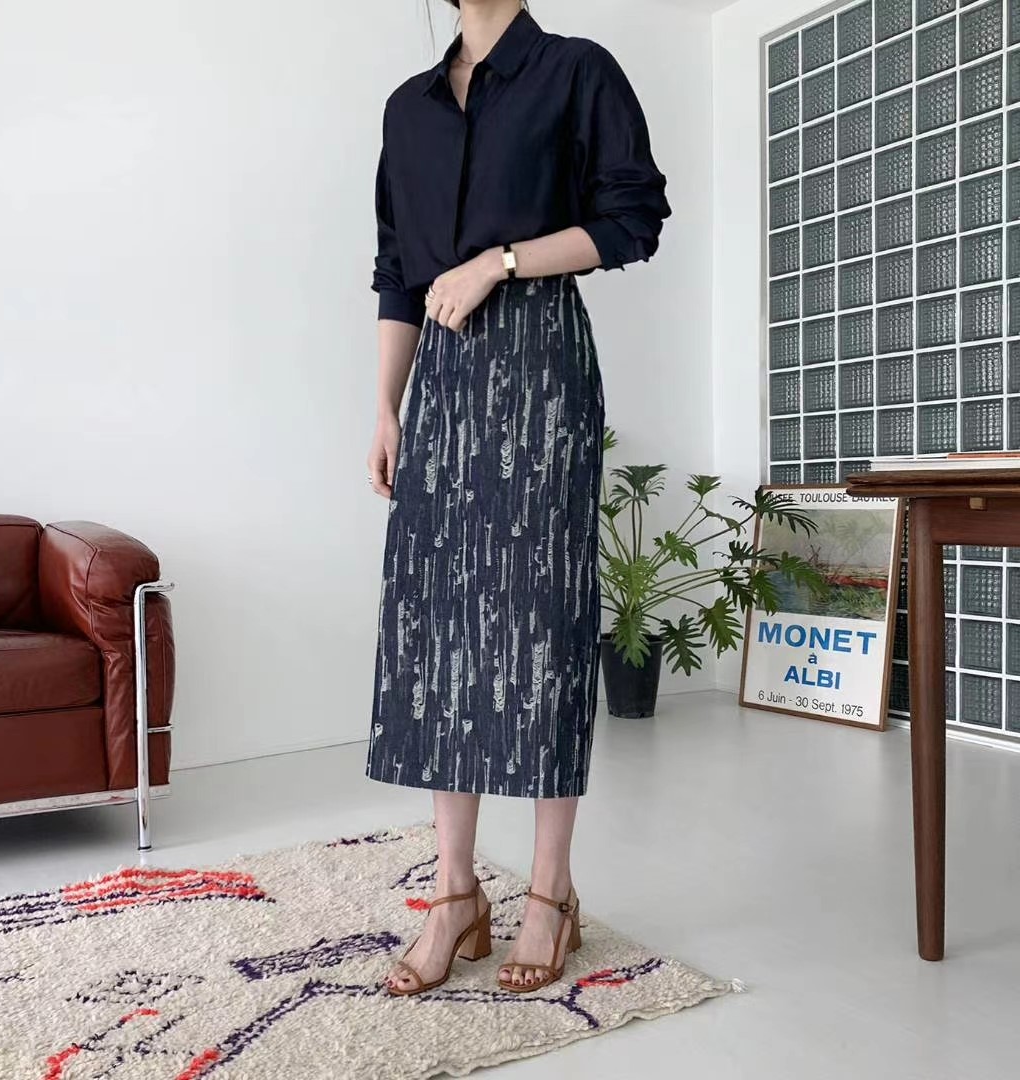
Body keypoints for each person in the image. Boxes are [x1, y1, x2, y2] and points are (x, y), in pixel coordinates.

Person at [364, 0, 671, 996]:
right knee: (439, 628)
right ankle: (454, 893)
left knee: (538, 624)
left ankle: (549, 892)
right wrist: (386, 407)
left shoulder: (577, 71)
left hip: (541, 367)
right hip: (443, 383)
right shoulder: (409, 108)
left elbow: (632, 220)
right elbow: (399, 272)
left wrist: (500, 261)